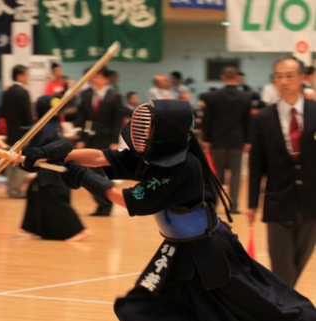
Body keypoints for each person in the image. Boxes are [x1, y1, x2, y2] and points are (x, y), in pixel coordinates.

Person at [24, 99, 316, 320]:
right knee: (140, 308)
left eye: (150, 125)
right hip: (178, 249)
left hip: (209, 253)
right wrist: (54, 153)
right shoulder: (155, 154)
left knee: (261, 308)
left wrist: (86, 179)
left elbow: (132, 199)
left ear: (166, 130)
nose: (143, 130)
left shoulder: (183, 165)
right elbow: (103, 156)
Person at [248, 56, 316, 288]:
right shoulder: (263, 118)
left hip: (311, 201)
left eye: (289, 76)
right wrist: (251, 203)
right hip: (278, 200)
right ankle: (285, 310)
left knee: (299, 263)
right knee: (282, 268)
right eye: (279, 76)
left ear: (301, 79)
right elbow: (256, 164)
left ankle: (284, 307)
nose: (284, 81)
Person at [20, 95, 90, 241]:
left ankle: (79, 230)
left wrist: (24, 152)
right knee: (35, 193)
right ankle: (35, 228)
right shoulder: (50, 124)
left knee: (56, 200)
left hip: (52, 170)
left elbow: (39, 148)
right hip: (52, 168)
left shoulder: (47, 127)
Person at [201, 66, 252, 214]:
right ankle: (234, 206)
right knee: (236, 174)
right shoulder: (246, 97)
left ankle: (214, 205)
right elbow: (248, 121)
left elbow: (207, 119)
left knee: (215, 175)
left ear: (222, 77)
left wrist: (206, 138)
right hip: (237, 141)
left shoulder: (212, 96)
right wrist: (248, 140)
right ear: (238, 78)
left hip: (217, 141)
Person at [75, 66, 122, 216]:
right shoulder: (86, 94)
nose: (94, 78)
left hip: (106, 138)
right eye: (92, 76)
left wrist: (114, 141)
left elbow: (117, 120)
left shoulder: (114, 95)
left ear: (106, 78)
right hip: (89, 137)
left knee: (102, 172)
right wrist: (81, 138)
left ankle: (106, 205)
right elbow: (82, 118)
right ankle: (101, 203)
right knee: (90, 171)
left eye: (98, 76)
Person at [1, 65, 33, 198]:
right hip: (22, 132)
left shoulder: (7, 92)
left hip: (11, 131)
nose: (28, 78)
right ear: (19, 76)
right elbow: (27, 115)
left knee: (11, 160)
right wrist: (31, 129)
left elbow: (3, 112)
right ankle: (16, 189)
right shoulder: (23, 92)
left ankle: (11, 189)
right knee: (22, 160)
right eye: (26, 75)